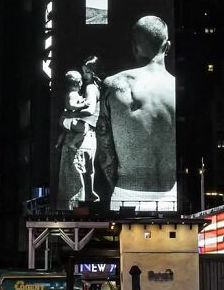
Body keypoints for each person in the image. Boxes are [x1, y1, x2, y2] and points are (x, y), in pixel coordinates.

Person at [96, 15, 176, 211]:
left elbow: (104, 148)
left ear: (135, 47)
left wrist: (117, 187)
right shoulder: (178, 89)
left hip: (127, 193)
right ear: (167, 46)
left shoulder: (115, 85)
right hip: (171, 195)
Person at [56, 57, 102, 208]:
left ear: (93, 72)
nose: (84, 75)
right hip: (88, 136)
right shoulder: (95, 88)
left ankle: (73, 212)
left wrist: (68, 115)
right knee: (86, 176)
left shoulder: (90, 88)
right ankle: (85, 209)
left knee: (73, 179)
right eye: (83, 71)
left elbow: (90, 110)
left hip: (80, 137)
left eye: (87, 71)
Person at [55, 70, 88, 148]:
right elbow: (71, 106)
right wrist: (83, 105)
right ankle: (72, 143)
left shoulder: (69, 93)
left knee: (64, 131)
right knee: (84, 130)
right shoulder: (73, 94)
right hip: (68, 120)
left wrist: (81, 101)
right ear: (79, 83)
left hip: (64, 119)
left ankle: (58, 144)